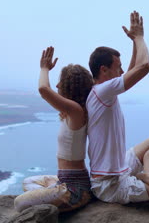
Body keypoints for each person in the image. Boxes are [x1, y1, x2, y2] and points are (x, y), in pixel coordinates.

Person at [86, 11, 149, 204]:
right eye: (118, 67)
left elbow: (131, 72)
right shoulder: (103, 90)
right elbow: (144, 66)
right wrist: (140, 38)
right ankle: (144, 179)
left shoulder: (99, 91)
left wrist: (133, 42)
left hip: (119, 167)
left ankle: (148, 176)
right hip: (109, 185)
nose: (122, 71)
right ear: (103, 70)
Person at [14, 46, 94, 212]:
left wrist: (44, 68)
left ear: (70, 87)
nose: (57, 84)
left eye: (62, 82)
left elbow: (44, 90)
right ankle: (56, 191)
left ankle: (67, 196)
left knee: (19, 203)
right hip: (64, 180)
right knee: (28, 182)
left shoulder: (77, 111)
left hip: (75, 188)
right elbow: (48, 91)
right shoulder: (70, 113)